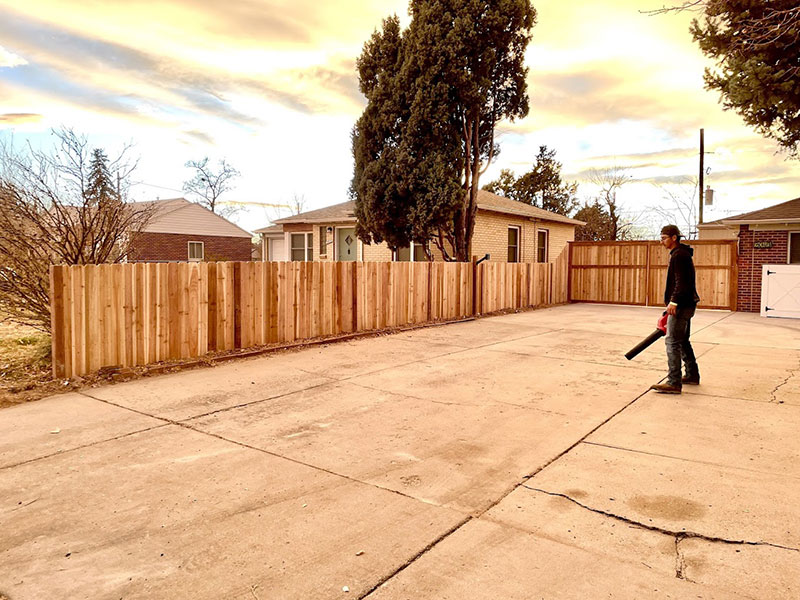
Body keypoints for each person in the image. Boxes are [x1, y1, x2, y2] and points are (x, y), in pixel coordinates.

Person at [650, 225, 700, 394]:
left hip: (682, 305)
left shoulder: (679, 255)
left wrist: (674, 302)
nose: (661, 241)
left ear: (674, 238)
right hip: (687, 304)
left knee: (672, 341)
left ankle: (674, 382)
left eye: (664, 237)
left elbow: (682, 282)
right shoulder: (682, 254)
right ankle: (692, 375)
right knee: (683, 340)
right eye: (661, 237)